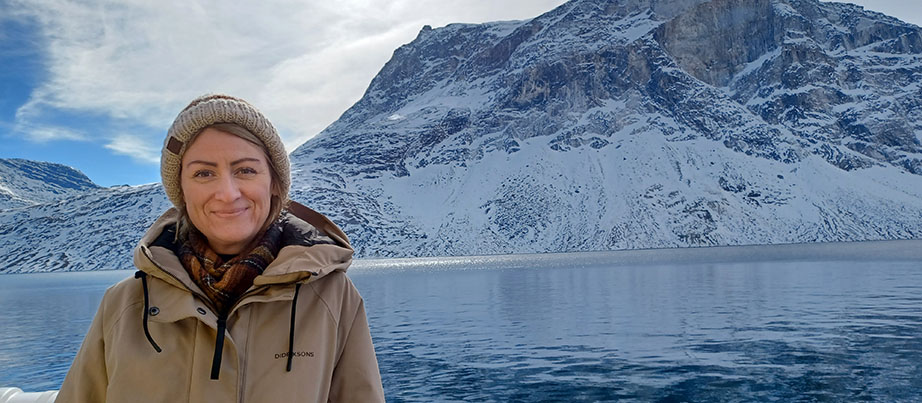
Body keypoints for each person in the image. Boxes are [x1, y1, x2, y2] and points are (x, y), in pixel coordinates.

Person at [57, 94, 385, 402]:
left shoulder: (332, 298)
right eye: (204, 173)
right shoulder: (124, 306)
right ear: (182, 190)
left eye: (245, 170)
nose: (227, 193)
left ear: (273, 184)